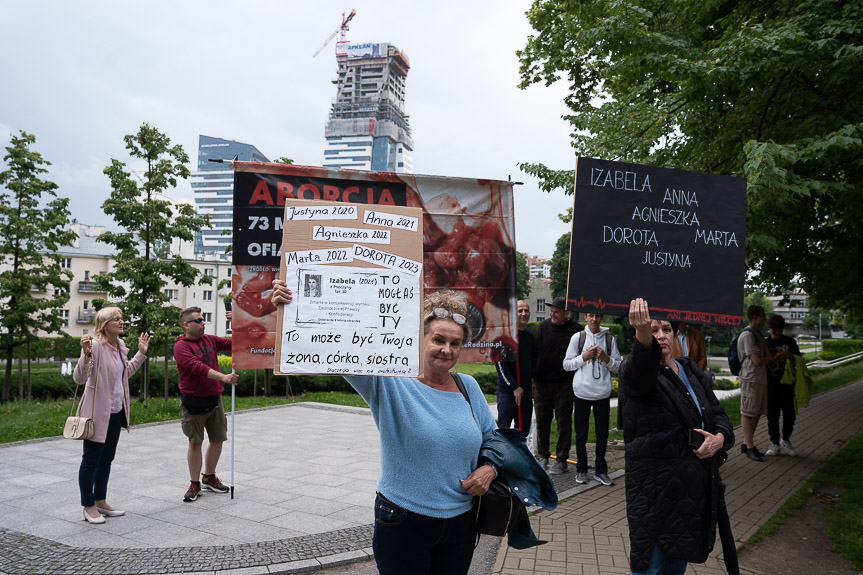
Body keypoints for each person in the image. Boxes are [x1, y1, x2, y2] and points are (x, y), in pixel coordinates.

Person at [273, 281, 497, 575]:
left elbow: (494, 439)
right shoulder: (389, 381)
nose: (447, 349)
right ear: (419, 338)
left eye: (455, 343)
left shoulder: (467, 386)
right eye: (438, 340)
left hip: (461, 524)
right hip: (404, 521)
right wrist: (290, 309)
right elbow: (332, 348)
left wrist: (490, 468)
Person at [620, 298, 734, 574]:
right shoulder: (635, 372)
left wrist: (718, 439)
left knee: (675, 568)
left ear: (675, 334)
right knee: (651, 568)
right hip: (655, 497)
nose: (661, 335)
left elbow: (718, 414)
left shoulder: (691, 370)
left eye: (667, 329)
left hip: (688, 498)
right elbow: (641, 370)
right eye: (654, 329)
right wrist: (643, 333)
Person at [75, 307, 149, 524]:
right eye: (115, 319)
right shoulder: (96, 346)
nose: (121, 321)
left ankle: (100, 501)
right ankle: (88, 506)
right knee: (91, 460)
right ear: (104, 324)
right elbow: (79, 378)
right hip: (97, 412)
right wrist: (86, 354)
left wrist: (141, 353)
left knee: (106, 459)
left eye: (121, 318)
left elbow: (125, 374)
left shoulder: (121, 346)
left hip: (117, 411)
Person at [174, 306, 239, 502]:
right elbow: (198, 368)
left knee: (217, 439)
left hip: (215, 399)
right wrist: (224, 377)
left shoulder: (209, 340)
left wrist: (235, 323)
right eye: (199, 321)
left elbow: (235, 344)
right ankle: (195, 483)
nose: (203, 323)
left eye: (203, 320)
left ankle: (209, 477)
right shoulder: (181, 346)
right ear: (186, 325)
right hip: (193, 401)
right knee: (195, 442)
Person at [562, 312, 621, 486]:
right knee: (581, 434)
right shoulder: (577, 338)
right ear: (585, 318)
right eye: (590, 316)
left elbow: (618, 367)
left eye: (597, 316)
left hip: (602, 394)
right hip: (582, 393)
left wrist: (606, 358)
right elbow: (566, 364)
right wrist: (584, 357)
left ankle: (601, 471)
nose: (594, 319)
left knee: (602, 435)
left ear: (602, 318)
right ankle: (581, 470)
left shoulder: (610, 339)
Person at [533, 296, 581, 474]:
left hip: (564, 384)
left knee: (564, 423)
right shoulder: (542, 327)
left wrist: (572, 380)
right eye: (551, 310)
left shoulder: (576, 331)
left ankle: (561, 459)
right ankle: (543, 456)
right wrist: (534, 374)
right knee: (542, 421)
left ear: (566, 313)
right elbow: (535, 351)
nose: (552, 314)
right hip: (541, 383)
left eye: (556, 311)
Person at [738, 305, 785, 462]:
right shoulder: (747, 335)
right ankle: (750, 446)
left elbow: (763, 358)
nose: (764, 318)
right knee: (747, 411)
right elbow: (757, 361)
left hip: (760, 379)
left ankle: (747, 443)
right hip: (751, 379)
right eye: (762, 315)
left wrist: (773, 359)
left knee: (757, 412)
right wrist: (774, 359)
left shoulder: (758, 334)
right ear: (755, 317)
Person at [495, 300, 536, 436]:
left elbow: (533, 362)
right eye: (520, 311)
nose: (523, 314)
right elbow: (500, 365)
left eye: (526, 310)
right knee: (503, 430)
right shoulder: (506, 336)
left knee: (523, 430)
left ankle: (519, 455)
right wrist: (514, 387)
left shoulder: (530, 336)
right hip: (508, 391)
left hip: (526, 391)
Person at [765, 314, 800, 457]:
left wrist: (790, 357)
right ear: (769, 329)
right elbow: (761, 363)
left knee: (789, 414)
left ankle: (785, 439)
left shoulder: (790, 342)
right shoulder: (765, 343)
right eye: (774, 330)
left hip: (787, 384)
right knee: (772, 416)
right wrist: (775, 359)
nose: (777, 333)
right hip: (771, 384)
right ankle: (774, 443)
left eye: (779, 330)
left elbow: (798, 362)